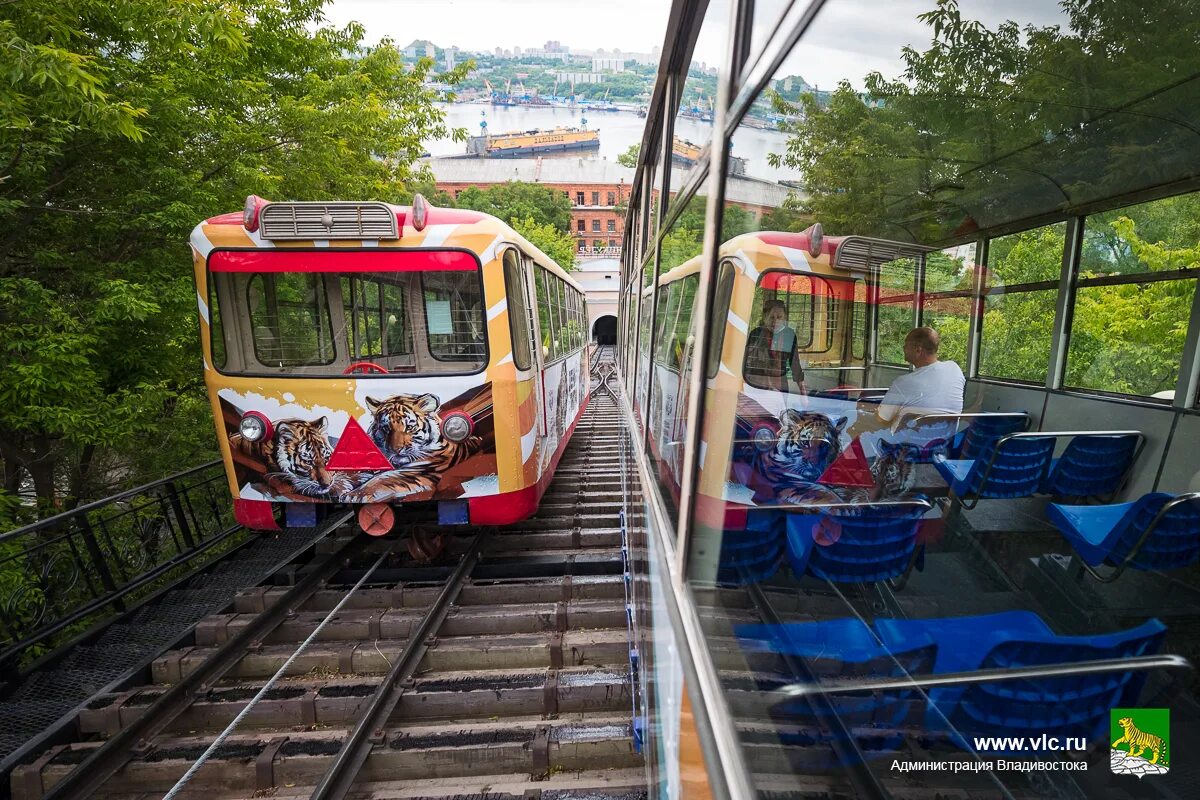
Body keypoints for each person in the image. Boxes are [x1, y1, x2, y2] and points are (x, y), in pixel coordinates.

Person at [850, 326, 965, 453]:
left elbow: (882, 420)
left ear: (918, 350)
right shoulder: (955, 369)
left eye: (906, 344)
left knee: (851, 417)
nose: (903, 348)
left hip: (903, 448)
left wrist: (872, 411)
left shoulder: (904, 382)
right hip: (941, 447)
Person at [745, 299, 807, 394]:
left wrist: (803, 390)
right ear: (765, 317)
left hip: (781, 386)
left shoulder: (789, 335)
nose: (775, 321)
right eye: (771, 317)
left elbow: (795, 365)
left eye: (779, 317)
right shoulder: (756, 334)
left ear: (784, 318)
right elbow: (747, 362)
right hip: (757, 385)